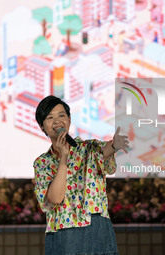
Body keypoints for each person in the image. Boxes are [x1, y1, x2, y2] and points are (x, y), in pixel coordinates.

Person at [33, 95, 129, 255]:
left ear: (69, 120)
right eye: (50, 118)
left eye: (61, 115)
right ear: (43, 127)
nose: (57, 121)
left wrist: (114, 145)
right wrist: (63, 157)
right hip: (63, 235)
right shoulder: (42, 163)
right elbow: (55, 198)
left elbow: (103, 151)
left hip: (97, 228)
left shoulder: (88, 148)